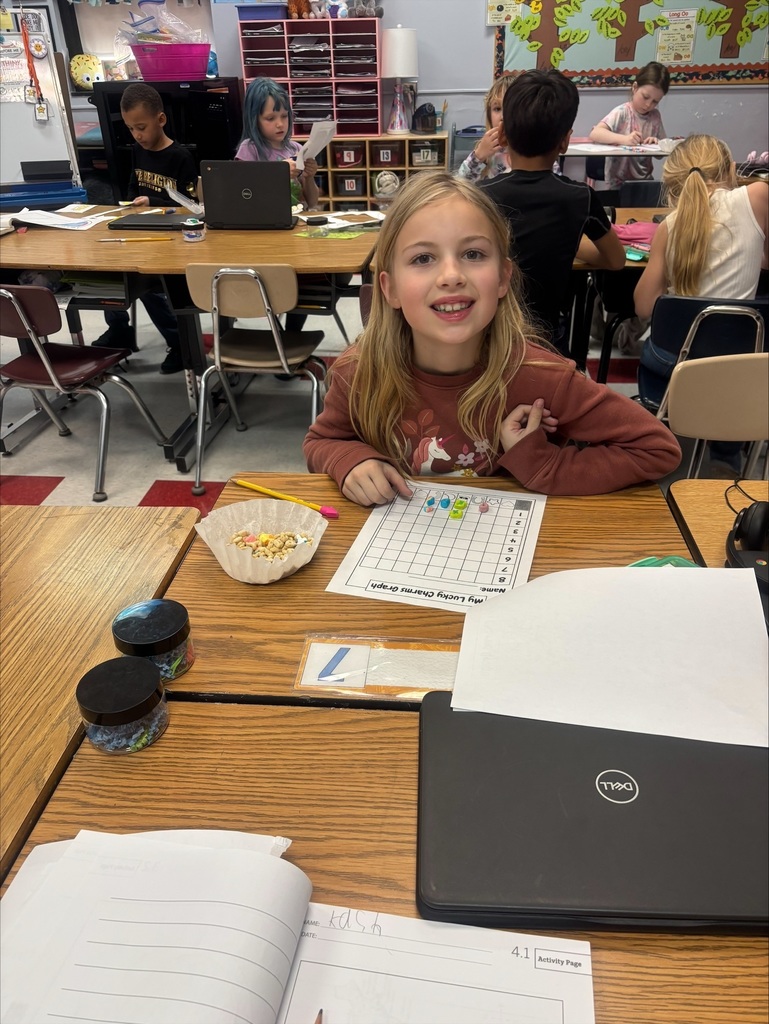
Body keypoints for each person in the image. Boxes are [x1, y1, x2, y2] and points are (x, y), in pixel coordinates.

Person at [303, 171, 681, 507]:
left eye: (472, 253)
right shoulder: (358, 370)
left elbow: (657, 449)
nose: (451, 275)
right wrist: (350, 461)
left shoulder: (541, 376)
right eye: (422, 259)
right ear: (390, 289)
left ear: (502, 278)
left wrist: (541, 462)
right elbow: (322, 442)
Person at [634, 133, 768, 475]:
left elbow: (644, 307)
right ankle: (727, 453)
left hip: (675, 367)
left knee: (656, 345)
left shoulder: (669, 225)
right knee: (737, 353)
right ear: (731, 169)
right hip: (740, 363)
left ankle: (666, 437)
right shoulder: (758, 196)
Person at [478, 69, 625, 355]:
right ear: (565, 140)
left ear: (503, 135)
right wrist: (569, 242)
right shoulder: (581, 198)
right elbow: (616, 260)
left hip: (489, 332)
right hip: (547, 338)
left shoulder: (481, 196)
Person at [92, 83, 196, 375]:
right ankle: (119, 330)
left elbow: (191, 206)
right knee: (110, 270)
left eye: (141, 127)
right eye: (131, 129)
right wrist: (126, 205)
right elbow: (132, 187)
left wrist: (154, 201)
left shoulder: (180, 157)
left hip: (170, 237)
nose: (137, 135)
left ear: (160, 120)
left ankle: (178, 341)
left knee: (149, 287)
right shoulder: (137, 151)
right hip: (139, 231)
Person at [236, 77, 342, 336]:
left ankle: (291, 331)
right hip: (267, 238)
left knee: (339, 274)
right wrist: (277, 174)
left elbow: (312, 202)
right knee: (286, 280)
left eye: (284, 116)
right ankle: (284, 333)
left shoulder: (295, 148)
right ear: (254, 119)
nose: (280, 124)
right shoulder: (248, 151)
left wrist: (307, 177)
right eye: (270, 118)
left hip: (298, 231)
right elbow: (241, 198)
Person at [589, 62, 670, 190]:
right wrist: (624, 140)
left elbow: (662, 152)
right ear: (635, 87)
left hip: (644, 184)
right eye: (645, 97)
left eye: (655, 101)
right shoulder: (622, 112)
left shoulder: (655, 117)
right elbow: (595, 133)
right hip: (617, 185)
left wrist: (657, 143)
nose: (648, 105)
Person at [457, 75, 516, 183]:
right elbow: (461, 185)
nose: (503, 117)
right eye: (497, 109)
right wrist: (479, 156)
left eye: (510, 108)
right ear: (489, 115)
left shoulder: (532, 151)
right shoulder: (486, 150)